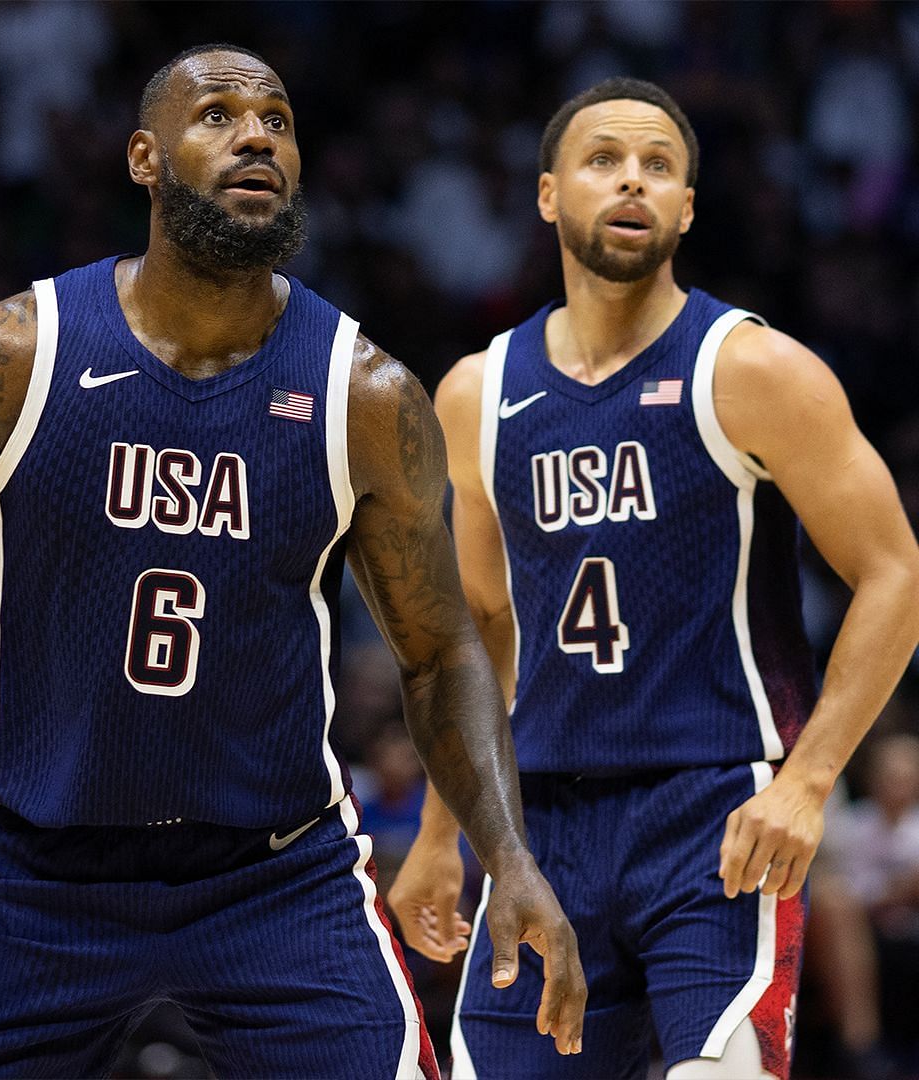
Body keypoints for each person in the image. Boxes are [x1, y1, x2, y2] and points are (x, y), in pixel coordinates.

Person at [0, 43, 585, 1078]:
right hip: (42, 877)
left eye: (276, 119)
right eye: (216, 114)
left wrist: (509, 856)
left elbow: (442, 653)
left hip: (277, 877)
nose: (256, 133)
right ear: (144, 156)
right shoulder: (5, 355)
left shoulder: (366, 397)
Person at [387, 78, 919, 1078]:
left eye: (658, 166)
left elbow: (897, 573)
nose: (631, 180)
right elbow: (481, 630)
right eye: (603, 161)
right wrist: (438, 832)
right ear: (548, 195)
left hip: (715, 813)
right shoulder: (476, 394)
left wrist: (808, 783)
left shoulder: (753, 370)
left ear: (684, 208)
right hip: (540, 828)